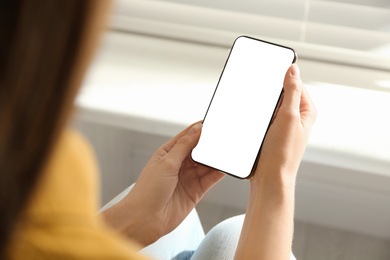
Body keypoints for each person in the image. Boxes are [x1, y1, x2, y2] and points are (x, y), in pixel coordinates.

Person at [0, 0, 317, 259]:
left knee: (208, 228)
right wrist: (276, 180)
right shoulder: (42, 164)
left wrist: (134, 218)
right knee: (233, 235)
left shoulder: (31, 176)